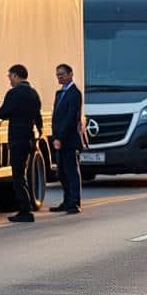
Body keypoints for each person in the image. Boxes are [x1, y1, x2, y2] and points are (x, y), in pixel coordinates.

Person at [0, 64, 44, 223]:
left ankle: (25, 210)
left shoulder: (14, 93)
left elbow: (2, 113)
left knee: (18, 176)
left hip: (17, 139)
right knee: (22, 174)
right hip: (29, 138)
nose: (10, 80)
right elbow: (38, 117)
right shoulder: (33, 93)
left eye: (10, 76)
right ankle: (25, 208)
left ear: (17, 76)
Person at [49, 63, 84, 213]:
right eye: (57, 75)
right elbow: (56, 116)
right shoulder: (59, 93)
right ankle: (67, 200)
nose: (59, 77)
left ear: (70, 74)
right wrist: (55, 135)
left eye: (62, 74)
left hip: (68, 139)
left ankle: (74, 202)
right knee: (62, 172)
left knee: (71, 172)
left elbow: (71, 118)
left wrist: (60, 137)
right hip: (59, 138)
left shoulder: (75, 93)